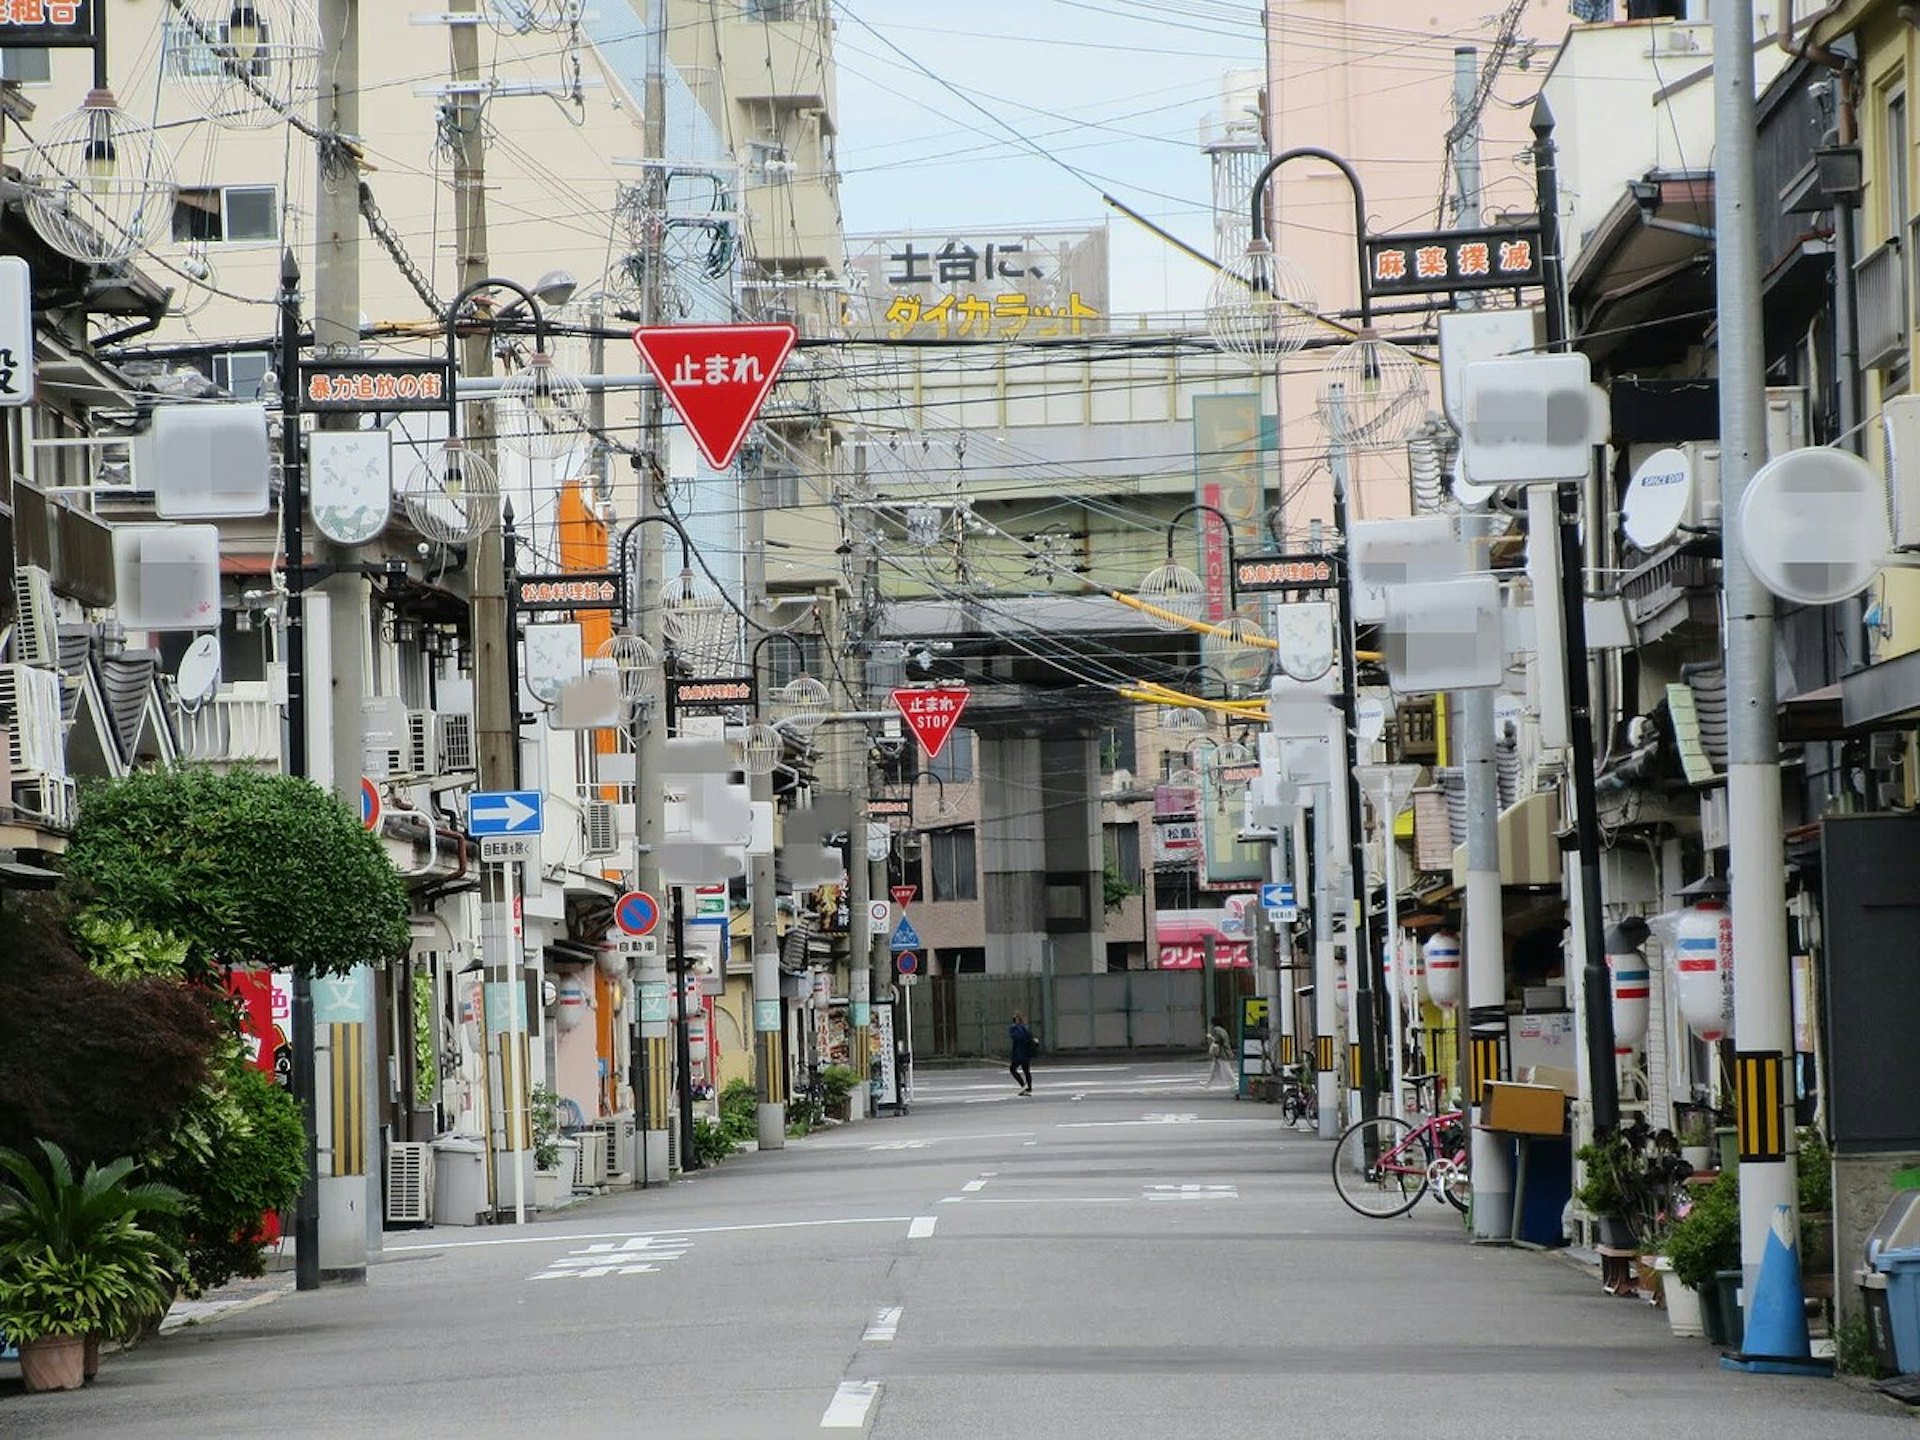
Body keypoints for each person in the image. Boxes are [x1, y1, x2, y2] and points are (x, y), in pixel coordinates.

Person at [1008, 1012, 1036, 1095]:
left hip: (1018, 1053)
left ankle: (1023, 1086)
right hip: (1026, 1053)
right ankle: (1029, 1087)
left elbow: (1016, 1037)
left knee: (1013, 1069)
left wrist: (1013, 1029)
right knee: (1026, 1071)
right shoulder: (1025, 1028)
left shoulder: (1015, 1028)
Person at [1204, 1016, 1234, 1090]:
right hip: (1221, 1052)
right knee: (1214, 1069)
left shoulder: (1217, 1029)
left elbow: (1218, 1040)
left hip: (1222, 1052)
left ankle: (1234, 1082)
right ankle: (1208, 1084)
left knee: (1226, 1069)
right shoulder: (1222, 1029)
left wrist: (1210, 1036)